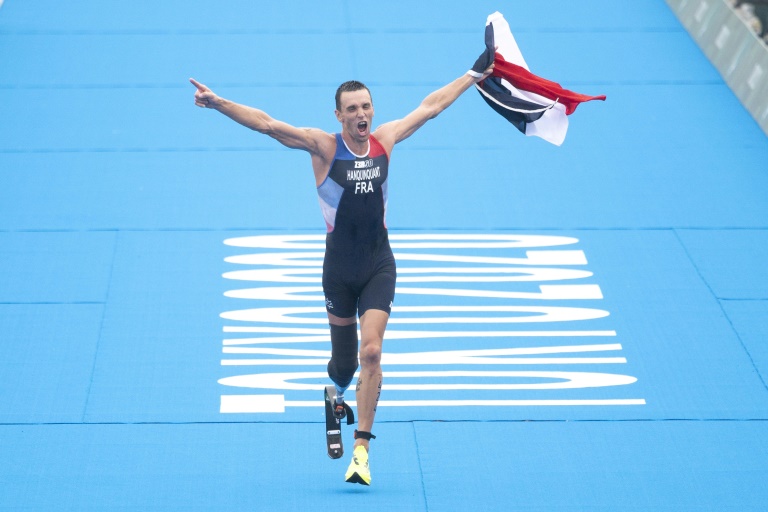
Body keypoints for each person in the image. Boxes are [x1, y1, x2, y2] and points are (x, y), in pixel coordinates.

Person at [190, 53, 493, 486]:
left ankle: (362, 451)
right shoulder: (323, 146)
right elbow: (268, 124)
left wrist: (473, 74)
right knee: (345, 365)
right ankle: (335, 395)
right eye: (351, 109)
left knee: (372, 353)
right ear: (339, 115)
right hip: (338, 272)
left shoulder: (386, 139)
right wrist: (219, 103)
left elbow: (432, 105)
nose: (361, 114)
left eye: (366, 106)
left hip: (378, 265)